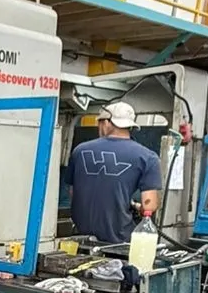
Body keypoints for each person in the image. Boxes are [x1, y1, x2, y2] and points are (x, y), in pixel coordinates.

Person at [64, 101, 162, 244]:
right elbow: (149, 206)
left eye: (99, 122)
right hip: (119, 241)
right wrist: (136, 206)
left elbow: (73, 193)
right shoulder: (148, 157)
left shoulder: (79, 151)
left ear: (107, 123)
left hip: (81, 237)